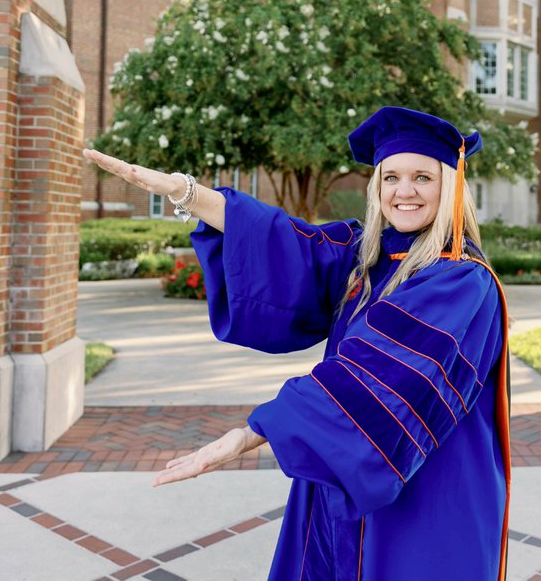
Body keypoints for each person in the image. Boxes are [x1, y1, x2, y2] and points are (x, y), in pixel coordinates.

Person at [83, 106, 511, 580]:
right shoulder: (367, 257)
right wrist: (185, 192)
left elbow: (381, 379)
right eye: (390, 177)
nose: (403, 191)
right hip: (346, 468)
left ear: (449, 187)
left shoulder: (462, 281)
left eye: (422, 177)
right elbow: (287, 243)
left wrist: (252, 432)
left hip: (428, 497)